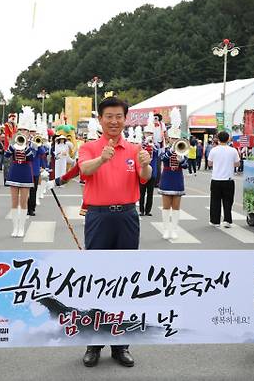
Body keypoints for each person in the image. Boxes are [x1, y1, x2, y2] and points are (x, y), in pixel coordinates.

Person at [78, 96, 152, 369]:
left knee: (125, 278)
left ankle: (121, 344)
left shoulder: (134, 148)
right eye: (108, 116)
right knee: (97, 278)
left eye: (118, 116)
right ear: (100, 119)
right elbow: (84, 169)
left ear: (125, 119)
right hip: (98, 216)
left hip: (127, 216)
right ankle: (93, 344)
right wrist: (102, 158)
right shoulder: (89, 147)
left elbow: (145, 177)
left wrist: (144, 163)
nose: (113, 121)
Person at [4, 107, 35, 237]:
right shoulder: (14, 143)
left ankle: (21, 228)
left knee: (23, 202)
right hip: (15, 171)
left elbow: (32, 157)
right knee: (14, 202)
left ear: (28, 133)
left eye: (25, 131)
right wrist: (13, 147)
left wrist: (26, 146)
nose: (22, 132)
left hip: (26, 173)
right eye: (20, 130)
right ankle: (15, 228)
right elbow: (6, 155)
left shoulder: (31, 144)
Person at [158, 109, 187, 240]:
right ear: (169, 138)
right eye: (173, 138)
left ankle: (174, 229)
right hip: (167, 177)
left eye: (177, 138)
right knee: (165, 206)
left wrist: (181, 160)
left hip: (178, 178)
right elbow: (163, 158)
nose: (175, 140)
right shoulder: (165, 149)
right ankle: (165, 229)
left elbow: (186, 166)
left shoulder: (183, 149)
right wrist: (171, 150)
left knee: (176, 206)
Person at [207, 131, 240, 228]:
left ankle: (215, 221)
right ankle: (227, 220)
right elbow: (238, 164)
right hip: (228, 179)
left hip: (216, 179)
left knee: (215, 201)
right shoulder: (233, 150)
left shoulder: (214, 150)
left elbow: (209, 164)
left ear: (218, 139)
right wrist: (229, 164)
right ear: (228, 139)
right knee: (228, 201)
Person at [139, 121, 158, 217]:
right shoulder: (141, 144)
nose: (149, 135)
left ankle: (148, 210)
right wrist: (145, 144)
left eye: (151, 133)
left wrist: (152, 146)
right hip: (142, 172)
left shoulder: (156, 145)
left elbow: (159, 153)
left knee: (150, 193)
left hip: (153, 172)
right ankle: (141, 210)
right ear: (144, 134)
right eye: (148, 133)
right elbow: (138, 153)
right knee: (141, 193)